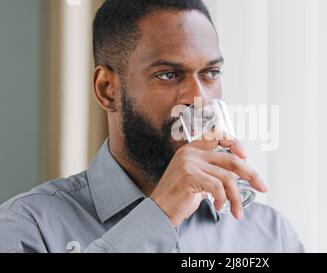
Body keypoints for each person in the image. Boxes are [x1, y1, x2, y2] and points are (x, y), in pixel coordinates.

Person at [0, 0, 304, 253]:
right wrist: (160, 213)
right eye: (169, 74)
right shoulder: (27, 227)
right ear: (108, 89)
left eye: (210, 72)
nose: (198, 99)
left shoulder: (269, 235)